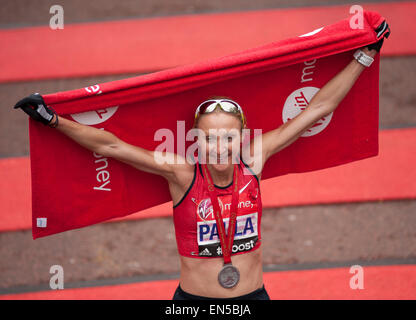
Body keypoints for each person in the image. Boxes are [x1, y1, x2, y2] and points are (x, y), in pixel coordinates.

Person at [14, 39, 387, 300]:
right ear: (196, 140)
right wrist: (52, 120)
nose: (220, 148)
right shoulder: (181, 174)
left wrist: (363, 58)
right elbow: (112, 146)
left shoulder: (254, 160)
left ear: (242, 138)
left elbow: (315, 111)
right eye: (210, 140)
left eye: (228, 139)